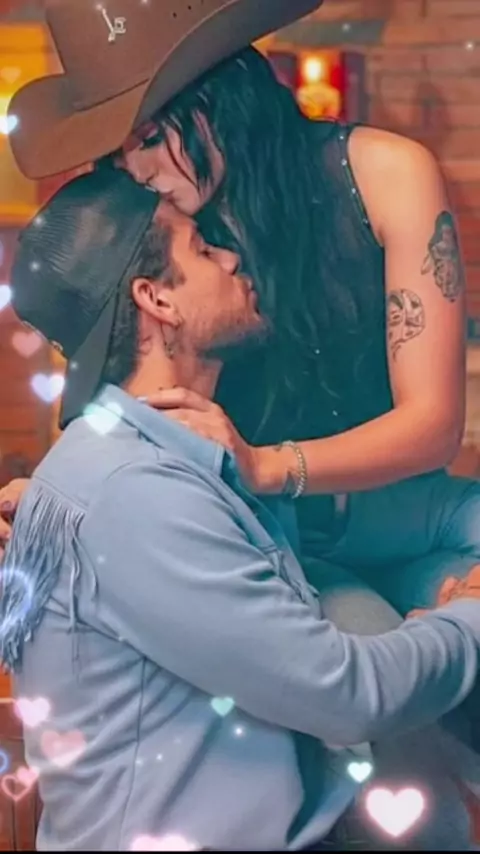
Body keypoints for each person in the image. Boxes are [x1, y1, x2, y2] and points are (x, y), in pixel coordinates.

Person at [1, 0, 480, 843]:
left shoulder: (384, 172)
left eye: (150, 137)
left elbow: (433, 425)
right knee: (385, 700)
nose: (137, 170)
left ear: (218, 102)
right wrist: (57, 509)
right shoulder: (169, 226)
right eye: (120, 150)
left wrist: (266, 464)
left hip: (386, 507)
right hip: (273, 543)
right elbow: (130, 393)